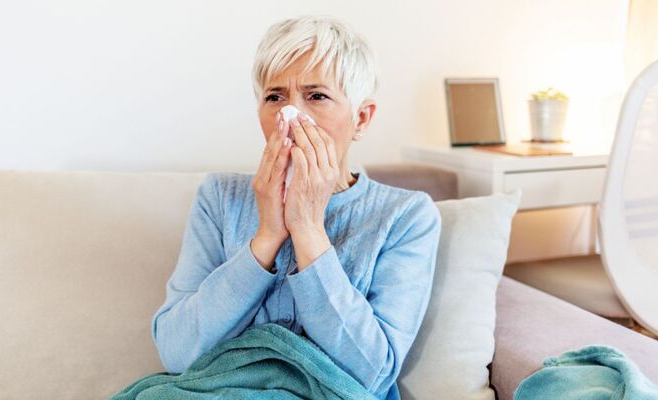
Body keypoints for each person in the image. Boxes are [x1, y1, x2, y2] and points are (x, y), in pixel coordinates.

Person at [151, 15, 442, 400]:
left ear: (361, 118)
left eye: (316, 96)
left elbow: (372, 372)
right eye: (275, 97)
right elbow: (177, 352)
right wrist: (267, 236)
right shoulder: (219, 197)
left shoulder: (406, 216)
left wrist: (307, 230)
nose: (290, 116)